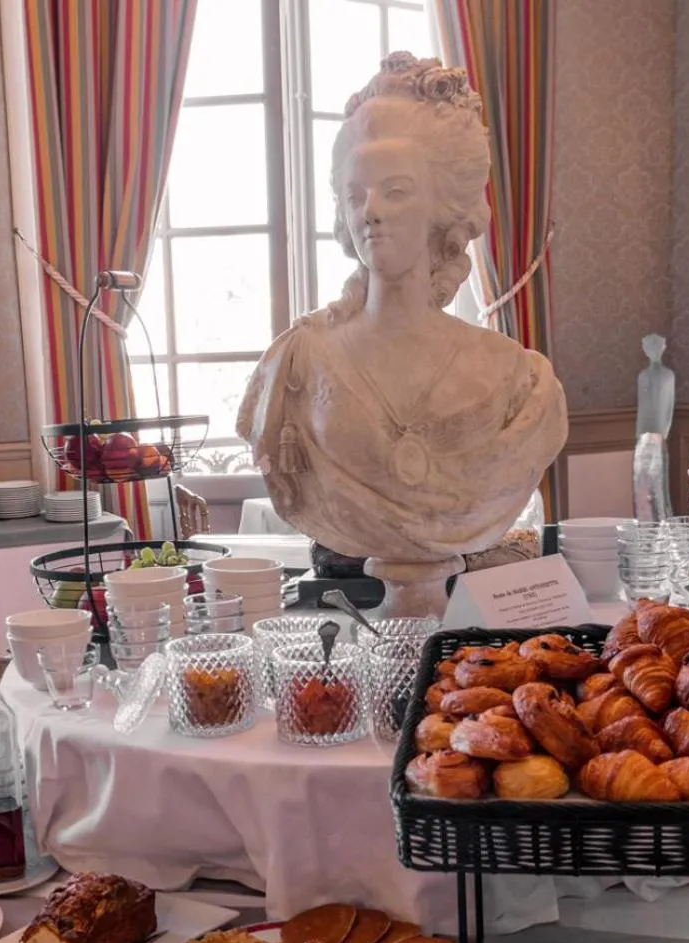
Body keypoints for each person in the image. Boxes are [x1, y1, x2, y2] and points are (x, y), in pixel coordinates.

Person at [237, 53, 567, 569]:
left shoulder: (516, 378)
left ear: (442, 205)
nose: (370, 210)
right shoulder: (299, 363)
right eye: (356, 194)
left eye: (395, 191)